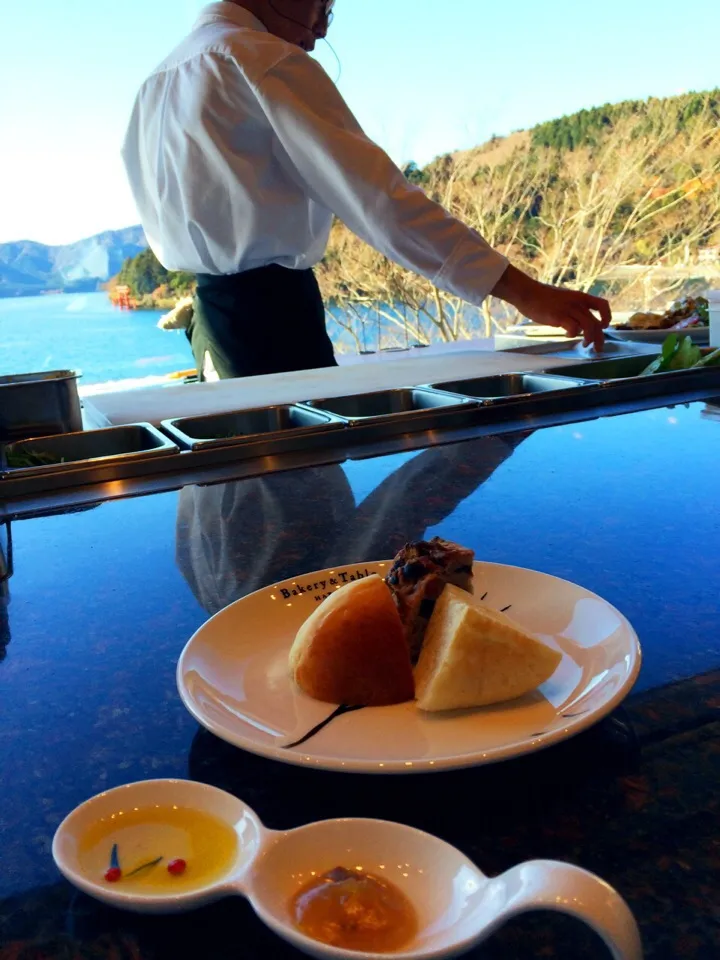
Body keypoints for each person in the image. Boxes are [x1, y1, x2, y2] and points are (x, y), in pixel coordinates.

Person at [122, 0, 610, 381]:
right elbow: (380, 200)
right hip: (276, 328)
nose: (321, 32)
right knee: (306, 496)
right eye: (322, 6)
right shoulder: (260, 58)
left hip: (214, 332)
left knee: (240, 499)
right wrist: (523, 292)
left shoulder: (156, 80)